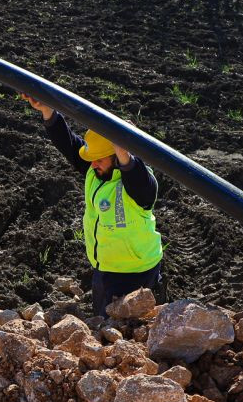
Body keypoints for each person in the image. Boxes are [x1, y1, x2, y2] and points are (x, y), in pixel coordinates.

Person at [24, 94, 163, 317]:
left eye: (100, 158)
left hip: (138, 272)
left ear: (118, 157)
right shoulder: (95, 171)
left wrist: (123, 147)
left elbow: (136, 175)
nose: (93, 163)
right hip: (106, 269)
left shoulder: (139, 185)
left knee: (137, 331)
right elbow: (68, 144)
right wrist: (48, 111)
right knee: (104, 326)